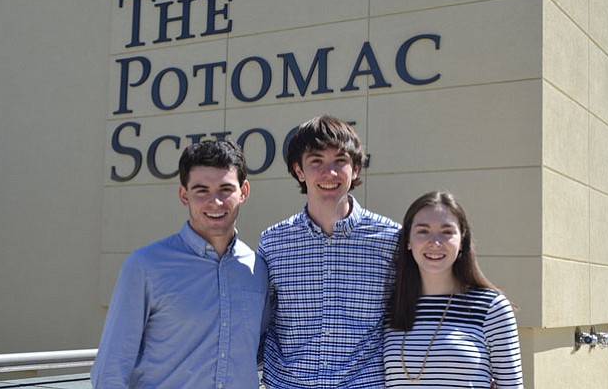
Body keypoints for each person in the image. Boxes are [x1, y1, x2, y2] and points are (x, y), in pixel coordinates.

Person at [91, 140, 268, 389]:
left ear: (244, 192)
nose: (215, 202)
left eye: (225, 189)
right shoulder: (145, 267)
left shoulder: (257, 270)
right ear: (184, 195)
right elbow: (110, 369)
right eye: (201, 190)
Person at [258, 115, 401, 389]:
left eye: (340, 161)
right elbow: (258, 322)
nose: (329, 173)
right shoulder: (273, 243)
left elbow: (417, 310)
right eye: (316, 161)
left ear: (356, 169)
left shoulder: (391, 239)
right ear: (299, 170)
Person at [384, 191, 524, 388]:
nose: (435, 242)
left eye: (447, 231)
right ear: (408, 240)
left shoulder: (491, 308)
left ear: (461, 241)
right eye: (423, 231)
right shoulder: (389, 307)